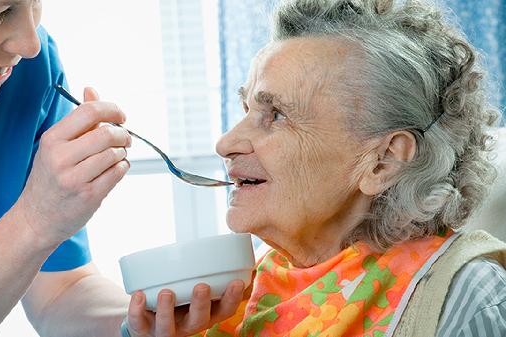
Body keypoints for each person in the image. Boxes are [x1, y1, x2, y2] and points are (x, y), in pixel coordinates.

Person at [124, 0, 506, 336]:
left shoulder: (468, 298)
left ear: (383, 161)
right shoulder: (229, 290)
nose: (225, 144)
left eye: (276, 115)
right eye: (248, 110)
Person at [0, 0, 245, 336]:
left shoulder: (30, 74)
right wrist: (35, 221)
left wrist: (135, 324)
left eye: (35, 3)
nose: (30, 44)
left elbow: (60, 290)